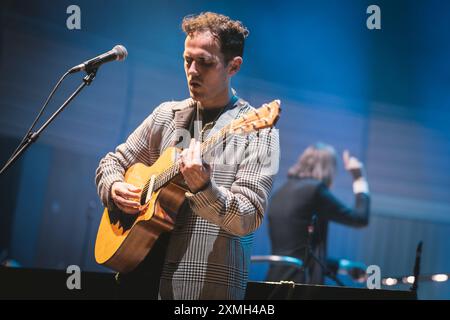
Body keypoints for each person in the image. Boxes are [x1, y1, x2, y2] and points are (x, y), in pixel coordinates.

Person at [95, 12, 279, 299]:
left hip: (201, 290)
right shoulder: (166, 115)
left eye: (205, 62)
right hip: (136, 278)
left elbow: (248, 217)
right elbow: (113, 162)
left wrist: (204, 188)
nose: (192, 70)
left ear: (234, 66)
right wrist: (114, 187)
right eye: (187, 60)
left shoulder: (259, 130)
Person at [266, 143, 370, 285]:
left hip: (273, 285)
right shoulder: (315, 190)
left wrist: (345, 267)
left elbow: (300, 254)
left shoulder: (280, 192)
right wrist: (359, 178)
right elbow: (360, 218)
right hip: (299, 287)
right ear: (329, 170)